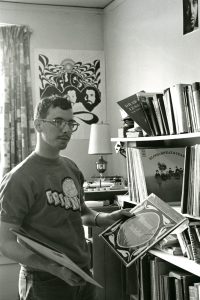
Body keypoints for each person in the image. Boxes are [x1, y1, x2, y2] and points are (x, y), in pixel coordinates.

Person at [0, 95, 132, 300]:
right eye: (58, 121)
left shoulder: (70, 167)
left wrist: (105, 219)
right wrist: (53, 268)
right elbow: (5, 242)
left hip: (82, 274)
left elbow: (81, 212)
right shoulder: (19, 178)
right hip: (44, 281)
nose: (66, 129)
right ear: (38, 125)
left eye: (71, 123)